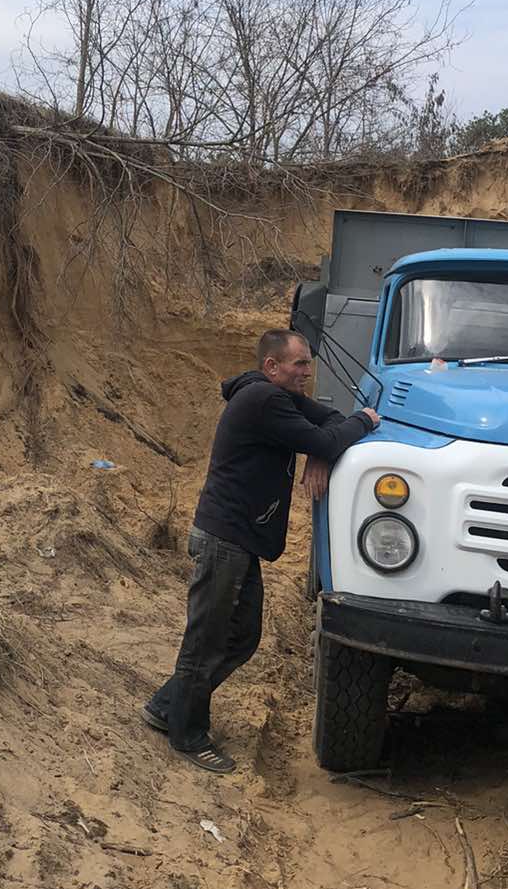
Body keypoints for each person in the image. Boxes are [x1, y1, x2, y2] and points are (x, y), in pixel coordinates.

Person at [142, 328, 379, 774]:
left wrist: (320, 451)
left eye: (308, 363)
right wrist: (364, 421)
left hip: (239, 540)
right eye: (299, 365)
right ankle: (188, 735)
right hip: (224, 539)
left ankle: (167, 705)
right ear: (272, 366)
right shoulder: (264, 401)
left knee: (241, 637)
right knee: (207, 640)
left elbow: (327, 423)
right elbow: (330, 434)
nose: (307, 373)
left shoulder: (279, 398)